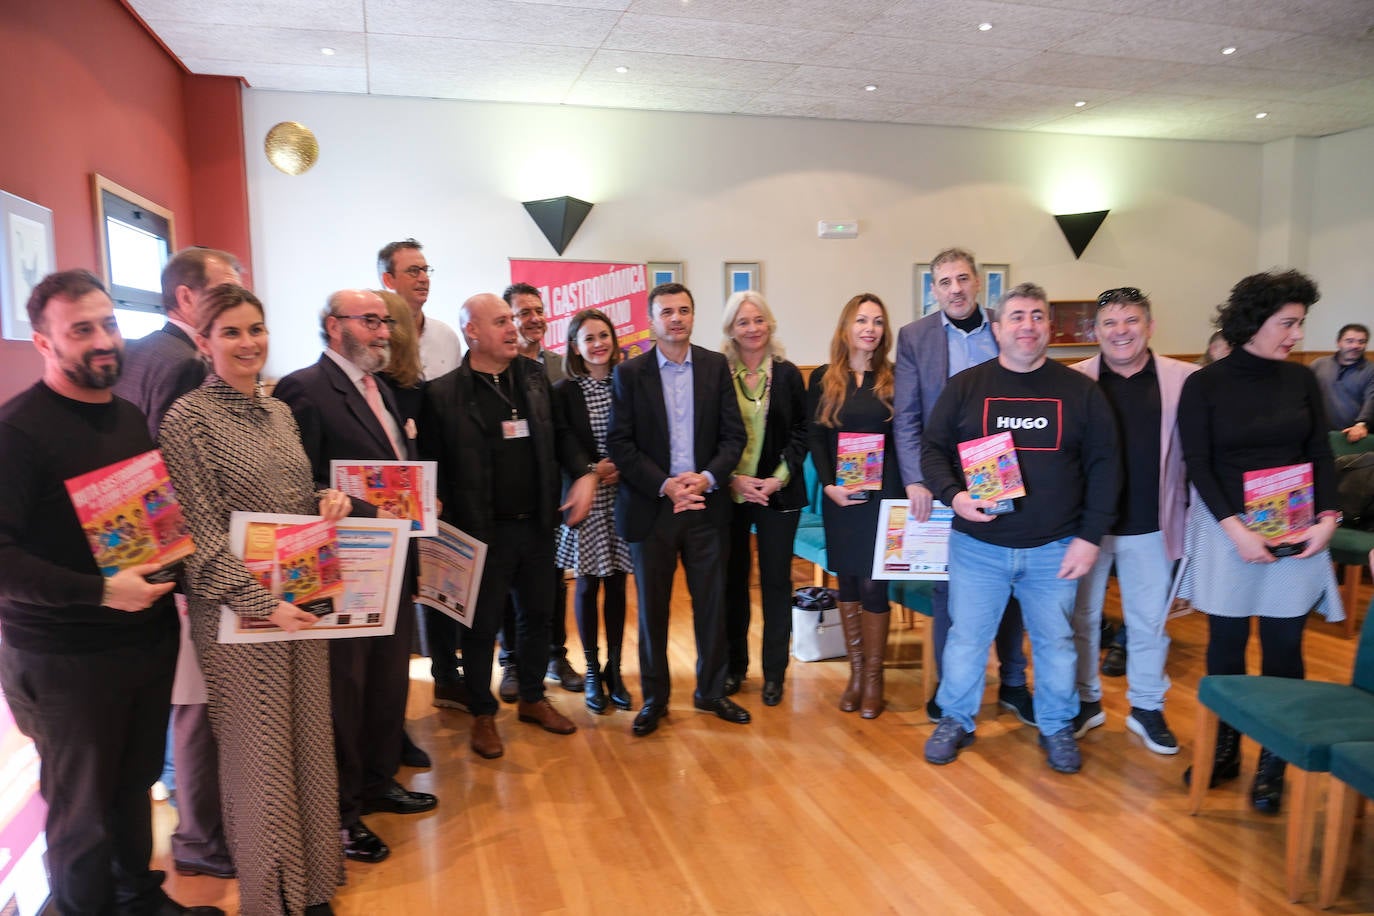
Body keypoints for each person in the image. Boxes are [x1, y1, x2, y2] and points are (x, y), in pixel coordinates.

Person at [0, 269, 221, 916]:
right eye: (81, 330)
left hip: (144, 640)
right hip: (65, 658)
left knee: (134, 788)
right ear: (44, 343)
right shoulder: (16, 433)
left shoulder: (127, 415)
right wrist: (99, 594)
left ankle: (138, 898)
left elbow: (149, 523)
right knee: (82, 811)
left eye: (109, 323)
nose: (103, 340)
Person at [160, 284, 352, 916]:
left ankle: (315, 889)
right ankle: (273, 900)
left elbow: (294, 497)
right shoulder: (187, 420)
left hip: (300, 602)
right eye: (232, 333)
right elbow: (198, 532)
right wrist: (260, 602)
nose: (249, 343)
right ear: (204, 342)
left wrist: (326, 500)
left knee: (309, 745)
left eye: (257, 329)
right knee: (260, 762)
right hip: (239, 617)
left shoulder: (279, 412)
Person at [921, 283, 1119, 775]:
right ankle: (956, 719)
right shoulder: (966, 386)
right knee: (967, 638)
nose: (1027, 325)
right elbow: (932, 450)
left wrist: (1089, 538)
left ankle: (1056, 725)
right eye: (1016, 316)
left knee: (1055, 642)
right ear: (998, 326)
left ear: (1048, 326)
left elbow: (1105, 467)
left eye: (1036, 316)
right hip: (978, 547)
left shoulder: (1081, 393)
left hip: (1055, 548)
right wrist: (955, 496)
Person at [273, 290, 438, 866]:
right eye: (369, 321)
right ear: (331, 325)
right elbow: (303, 483)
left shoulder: (384, 390)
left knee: (388, 684)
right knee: (345, 692)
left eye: (383, 322)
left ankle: (375, 783)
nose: (381, 331)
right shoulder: (304, 389)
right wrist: (361, 509)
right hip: (343, 568)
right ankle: (341, 816)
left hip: (391, 562)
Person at [1177, 269, 1342, 812]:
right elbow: (1198, 464)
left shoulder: (1300, 382)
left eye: (1300, 324)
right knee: (1224, 647)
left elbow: (1320, 453)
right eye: (1287, 323)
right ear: (1255, 322)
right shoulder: (1206, 384)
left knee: (1284, 648)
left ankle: (1273, 760)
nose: (1296, 334)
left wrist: (1328, 517)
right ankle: (1224, 749)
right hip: (1229, 528)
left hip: (1295, 527)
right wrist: (1236, 531)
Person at [418, 293, 596, 759]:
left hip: (537, 526)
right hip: (478, 532)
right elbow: (429, 465)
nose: (513, 328)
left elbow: (561, 438)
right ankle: (482, 712)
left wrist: (584, 474)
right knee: (479, 629)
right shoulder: (442, 394)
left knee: (538, 617)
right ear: (471, 331)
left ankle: (534, 698)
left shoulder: (535, 379)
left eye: (512, 320)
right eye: (501, 321)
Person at [112, 246, 242, 881]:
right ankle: (202, 839)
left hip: (141, 556)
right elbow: (184, 471)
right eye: (225, 290)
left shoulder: (137, 352)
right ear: (188, 299)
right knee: (198, 708)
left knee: (180, 705)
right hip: (187, 561)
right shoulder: (189, 366)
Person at [894, 247, 1034, 726]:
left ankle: (1014, 683)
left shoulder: (1006, 324)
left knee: (1015, 581)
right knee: (944, 588)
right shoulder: (914, 336)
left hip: (1003, 470)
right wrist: (916, 477)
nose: (954, 289)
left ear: (979, 284)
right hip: (940, 475)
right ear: (933, 290)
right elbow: (909, 415)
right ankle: (950, 688)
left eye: (962, 279)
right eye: (944, 282)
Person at [607, 282, 748, 737]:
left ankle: (710, 692)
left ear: (693, 316)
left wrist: (705, 479)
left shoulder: (714, 367)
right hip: (654, 507)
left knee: (712, 604)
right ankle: (655, 698)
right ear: (652, 321)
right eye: (666, 311)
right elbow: (621, 445)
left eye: (684, 310)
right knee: (653, 610)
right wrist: (666, 485)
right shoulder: (630, 374)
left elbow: (733, 438)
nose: (676, 318)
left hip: (705, 503)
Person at [1069, 287, 1198, 755]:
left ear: (1149, 325)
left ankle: (1146, 707)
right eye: (1110, 323)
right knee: (1081, 618)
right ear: (1095, 331)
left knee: (1149, 622)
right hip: (1088, 528)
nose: (1120, 331)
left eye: (1131, 321)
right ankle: (1086, 701)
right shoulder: (1075, 379)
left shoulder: (1184, 379)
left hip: (1153, 522)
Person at [808, 293, 903, 717]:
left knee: (872, 584)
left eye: (878, 321)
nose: (869, 328)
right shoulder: (824, 380)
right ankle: (856, 674)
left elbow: (905, 441)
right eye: (861, 320)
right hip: (841, 498)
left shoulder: (897, 379)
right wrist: (829, 485)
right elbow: (816, 439)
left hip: (883, 497)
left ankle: (875, 679)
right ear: (846, 327)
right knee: (846, 581)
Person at [716, 292, 809, 706]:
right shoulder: (717, 373)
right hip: (730, 492)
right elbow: (710, 432)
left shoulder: (788, 375)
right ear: (730, 330)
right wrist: (732, 479)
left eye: (759, 320)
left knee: (775, 582)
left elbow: (801, 433)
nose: (752, 328)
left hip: (777, 491)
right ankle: (736, 668)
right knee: (733, 583)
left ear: (769, 324)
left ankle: (774, 673)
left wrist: (776, 480)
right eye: (742, 322)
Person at [501, 282, 581, 695]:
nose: (534, 319)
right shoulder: (501, 367)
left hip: (555, 495)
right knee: (510, 586)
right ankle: (511, 661)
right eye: (522, 312)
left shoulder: (560, 367)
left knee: (553, 581)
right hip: (512, 498)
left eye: (538, 310)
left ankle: (556, 655)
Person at [553, 308, 634, 712]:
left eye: (604, 335)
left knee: (618, 583)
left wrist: (626, 466)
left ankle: (615, 669)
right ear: (576, 346)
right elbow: (564, 441)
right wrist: (592, 470)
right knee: (586, 584)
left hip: (623, 495)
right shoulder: (565, 390)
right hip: (587, 496)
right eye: (589, 338)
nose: (598, 344)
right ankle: (590, 669)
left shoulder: (628, 382)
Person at [378, 238, 460, 381]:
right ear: (388, 280)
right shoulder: (376, 337)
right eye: (413, 271)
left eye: (425, 270)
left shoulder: (446, 336)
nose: (424, 279)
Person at [1310, 323, 1374, 443]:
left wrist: (1361, 425)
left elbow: (1371, 400)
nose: (1356, 345)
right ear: (1338, 342)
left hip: (1354, 435)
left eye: (1361, 342)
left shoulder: (1371, 370)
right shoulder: (1318, 364)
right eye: (1349, 341)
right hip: (1320, 434)